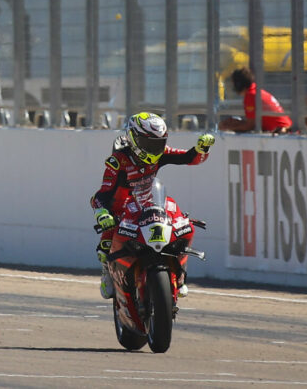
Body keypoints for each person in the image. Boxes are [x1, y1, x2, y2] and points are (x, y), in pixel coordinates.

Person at [90, 112, 214, 301]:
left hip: (147, 206)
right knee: (106, 246)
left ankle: (179, 274)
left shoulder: (160, 154)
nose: (155, 150)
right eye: (150, 144)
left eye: (159, 144)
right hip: (121, 213)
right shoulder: (118, 161)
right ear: (133, 139)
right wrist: (102, 213)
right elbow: (101, 195)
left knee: (178, 225)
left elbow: (189, 158)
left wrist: (201, 150)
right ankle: (108, 272)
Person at [218, 67, 293, 134]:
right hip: (285, 130)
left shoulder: (251, 95)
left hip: (282, 132)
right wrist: (237, 123)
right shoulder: (256, 91)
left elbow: (250, 126)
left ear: (238, 84)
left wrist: (228, 128)